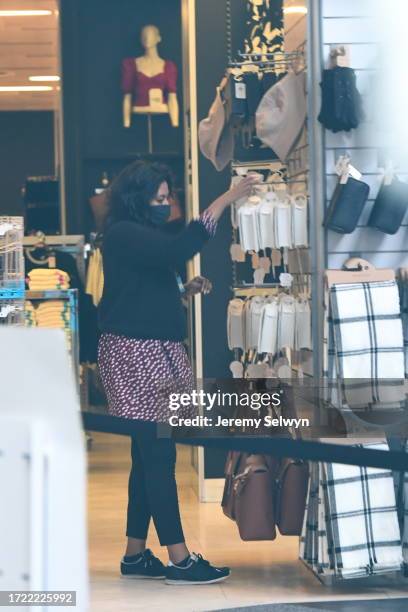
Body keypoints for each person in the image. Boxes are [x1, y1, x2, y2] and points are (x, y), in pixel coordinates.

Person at [97, 160, 256, 585]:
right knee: (158, 455)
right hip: (138, 354)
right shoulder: (124, 234)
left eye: (168, 199)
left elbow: (139, 290)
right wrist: (227, 198)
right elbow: (177, 251)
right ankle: (181, 559)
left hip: (148, 349)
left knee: (146, 455)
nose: (166, 206)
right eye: (159, 198)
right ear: (138, 198)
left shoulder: (133, 237)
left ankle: (134, 556)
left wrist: (181, 291)